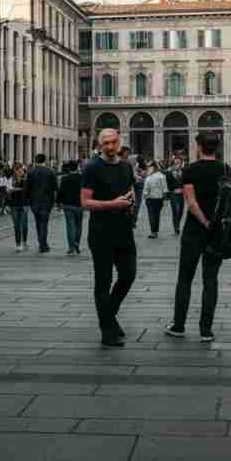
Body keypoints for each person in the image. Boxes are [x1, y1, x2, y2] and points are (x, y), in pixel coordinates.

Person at [165, 132, 229, 343]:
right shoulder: (225, 170)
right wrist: (213, 224)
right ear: (216, 148)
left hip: (194, 230)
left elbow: (191, 204)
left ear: (199, 147)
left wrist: (204, 222)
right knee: (210, 280)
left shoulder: (190, 170)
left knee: (185, 278)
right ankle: (206, 330)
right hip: (217, 232)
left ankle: (178, 325)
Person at [81, 128, 137, 348]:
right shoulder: (92, 168)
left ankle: (108, 316)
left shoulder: (126, 166)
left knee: (128, 275)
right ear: (100, 145)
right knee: (103, 281)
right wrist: (113, 204)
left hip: (124, 231)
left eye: (114, 142)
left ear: (119, 142)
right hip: (101, 232)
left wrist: (130, 202)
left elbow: (129, 190)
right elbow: (85, 202)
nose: (111, 146)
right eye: (106, 143)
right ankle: (107, 331)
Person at [25, 153, 58, 253]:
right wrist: (55, 201)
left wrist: (27, 202)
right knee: (44, 223)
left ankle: (41, 242)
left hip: (34, 202)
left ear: (36, 160)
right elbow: (55, 187)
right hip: (47, 202)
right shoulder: (50, 171)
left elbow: (27, 188)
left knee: (38, 222)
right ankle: (43, 244)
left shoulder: (31, 172)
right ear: (45, 160)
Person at [57, 160, 84, 255]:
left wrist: (58, 203)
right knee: (78, 225)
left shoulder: (64, 179)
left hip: (68, 205)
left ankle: (71, 247)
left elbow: (61, 191)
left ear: (69, 168)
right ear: (77, 167)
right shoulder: (82, 178)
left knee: (70, 226)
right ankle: (77, 243)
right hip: (79, 205)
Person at [142, 162, 167, 239]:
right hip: (159, 199)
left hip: (150, 198)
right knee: (156, 215)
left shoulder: (149, 177)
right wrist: (164, 197)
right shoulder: (162, 176)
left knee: (151, 215)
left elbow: (146, 189)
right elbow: (165, 189)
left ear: (154, 168)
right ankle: (155, 231)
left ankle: (153, 232)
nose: (149, 169)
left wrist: (145, 196)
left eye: (150, 167)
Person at [8, 164, 29, 251]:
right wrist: (16, 189)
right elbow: (8, 190)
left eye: (21, 171)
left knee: (24, 225)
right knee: (16, 225)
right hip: (14, 205)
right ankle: (18, 244)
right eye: (18, 170)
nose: (20, 172)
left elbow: (28, 193)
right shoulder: (11, 180)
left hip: (24, 205)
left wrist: (28, 205)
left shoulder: (26, 180)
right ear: (15, 171)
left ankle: (24, 242)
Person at [166, 159, 185, 235]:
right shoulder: (169, 172)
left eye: (179, 163)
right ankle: (176, 227)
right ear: (173, 164)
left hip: (181, 194)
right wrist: (170, 191)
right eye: (176, 163)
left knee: (181, 211)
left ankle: (177, 224)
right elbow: (167, 183)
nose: (178, 164)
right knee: (175, 210)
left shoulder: (183, 172)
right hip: (173, 194)